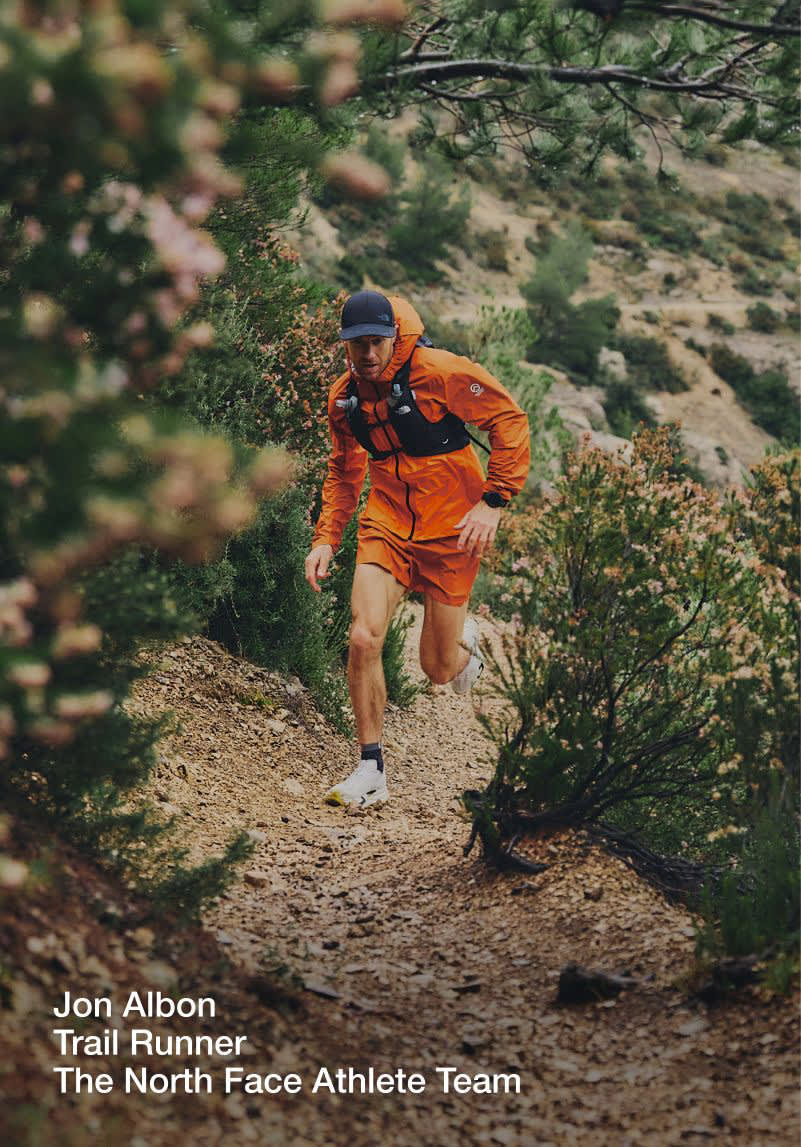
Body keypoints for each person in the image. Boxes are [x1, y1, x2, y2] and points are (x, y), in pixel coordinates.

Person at [304, 290, 530, 808]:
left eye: (376, 342)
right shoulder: (346, 397)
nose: (366, 354)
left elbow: (509, 420)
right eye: (355, 344)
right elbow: (344, 471)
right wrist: (325, 538)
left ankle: (463, 645)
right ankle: (370, 770)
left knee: (438, 670)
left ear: (393, 338)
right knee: (363, 637)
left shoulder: (437, 371)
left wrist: (493, 502)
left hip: (453, 528)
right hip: (386, 521)